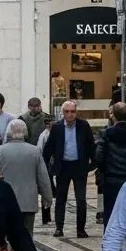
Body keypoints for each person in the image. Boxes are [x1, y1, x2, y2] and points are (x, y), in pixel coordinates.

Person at [42, 99, 95, 239]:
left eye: (73, 111)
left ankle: (81, 229)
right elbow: (49, 147)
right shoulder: (57, 127)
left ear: (76, 112)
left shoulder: (83, 125)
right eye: (67, 112)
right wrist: (43, 165)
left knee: (81, 200)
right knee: (60, 199)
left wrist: (92, 165)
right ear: (63, 113)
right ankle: (59, 228)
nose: (70, 114)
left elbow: (91, 146)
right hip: (63, 166)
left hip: (79, 166)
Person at [0, 120, 53, 237]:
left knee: (7, 235)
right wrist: (47, 197)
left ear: (8, 133)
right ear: (25, 132)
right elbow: (43, 178)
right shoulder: (34, 151)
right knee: (27, 235)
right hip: (28, 202)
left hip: (5, 202)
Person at [36, 121, 56, 226]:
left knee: (51, 192)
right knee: (46, 191)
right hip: (46, 166)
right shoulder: (43, 135)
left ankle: (50, 216)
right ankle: (46, 217)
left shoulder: (54, 133)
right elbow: (39, 150)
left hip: (53, 167)